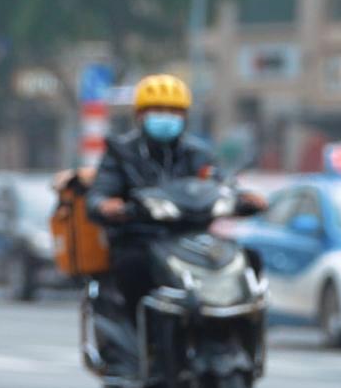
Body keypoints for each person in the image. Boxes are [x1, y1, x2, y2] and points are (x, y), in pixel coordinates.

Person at [86, 74, 263, 367]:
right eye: (157, 110)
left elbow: (220, 182)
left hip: (191, 241)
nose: (166, 117)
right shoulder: (120, 153)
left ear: (185, 116)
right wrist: (108, 205)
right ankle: (141, 348)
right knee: (132, 269)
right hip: (141, 240)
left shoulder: (198, 153)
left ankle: (241, 336)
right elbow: (99, 193)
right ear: (140, 116)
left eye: (174, 111)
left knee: (247, 260)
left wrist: (244, 198)